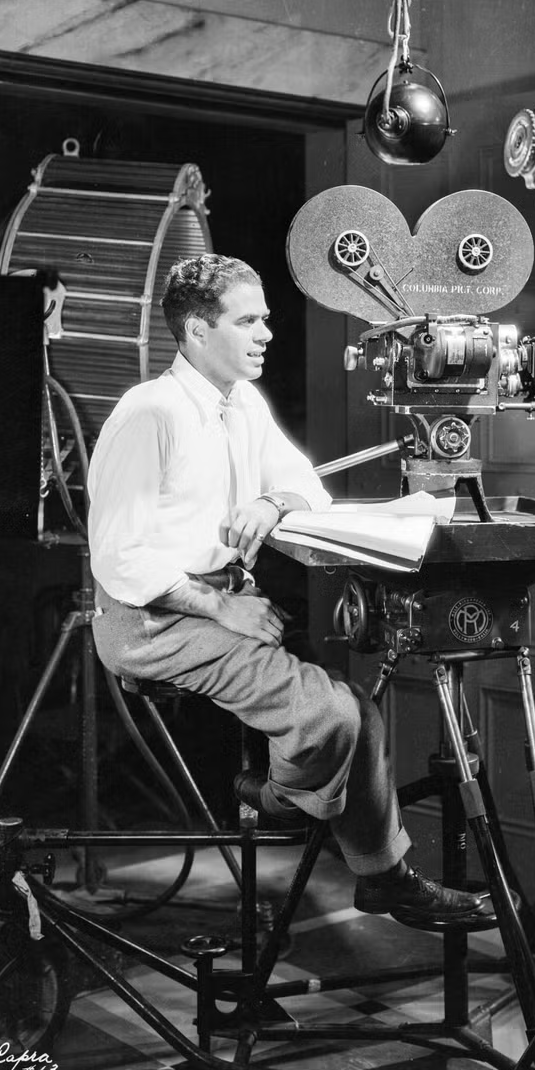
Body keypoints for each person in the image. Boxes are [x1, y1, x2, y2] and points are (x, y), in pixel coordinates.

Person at [87, 253, 484, 923]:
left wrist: (271, 504)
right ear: (195, 332)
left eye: (266, 318)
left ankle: (380, 872)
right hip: (148, 617)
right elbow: (118, 557)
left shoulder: (241, 404)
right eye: (248, 321)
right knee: (331, 716)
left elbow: (307, 486)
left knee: (360, 708)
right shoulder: (148, 413)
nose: (266, 332)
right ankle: (273, 798)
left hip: (221, 600)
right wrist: (220, 605)